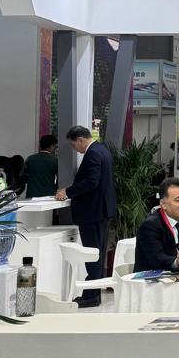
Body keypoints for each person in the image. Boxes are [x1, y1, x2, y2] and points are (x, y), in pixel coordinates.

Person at [56, 126, 117, 308]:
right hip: (100, 211)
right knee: (96, 254)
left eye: (73, 145)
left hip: (93, 212)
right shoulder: (103, 150)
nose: (75, 149)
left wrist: (68, 192)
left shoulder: (93, 154)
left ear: (81, 140)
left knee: (93, 255)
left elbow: (91, 182)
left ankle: (91, 297)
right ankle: (92, 294)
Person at [134, 178, 179, 272]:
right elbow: (156, 259)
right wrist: (177, 263)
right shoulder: (150, 225)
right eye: (178, 200)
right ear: (163, 204)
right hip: (153, 277)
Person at [21, 134, 59, 199]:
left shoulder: (30, 159)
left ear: (40, 145)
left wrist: (32, 182)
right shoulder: (55, 160)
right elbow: (60, 179)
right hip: (49, 195)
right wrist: (55, 188)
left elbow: (22, 177)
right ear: (52, 146)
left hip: (31, 195)